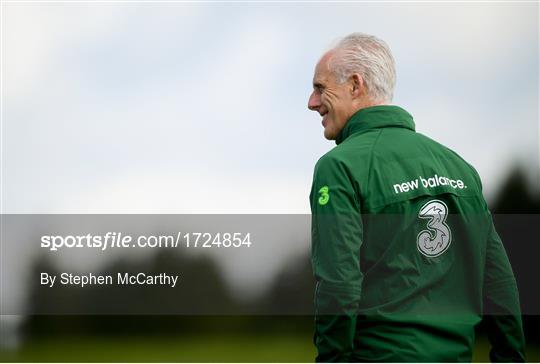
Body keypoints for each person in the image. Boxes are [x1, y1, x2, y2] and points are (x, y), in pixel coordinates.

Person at [308, 33, 525, 362]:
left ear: (355, 85)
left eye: (320, 88)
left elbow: (339, 284)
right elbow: (498, 282)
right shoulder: (459, 167)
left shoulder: (339, 167)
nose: (311, 102)